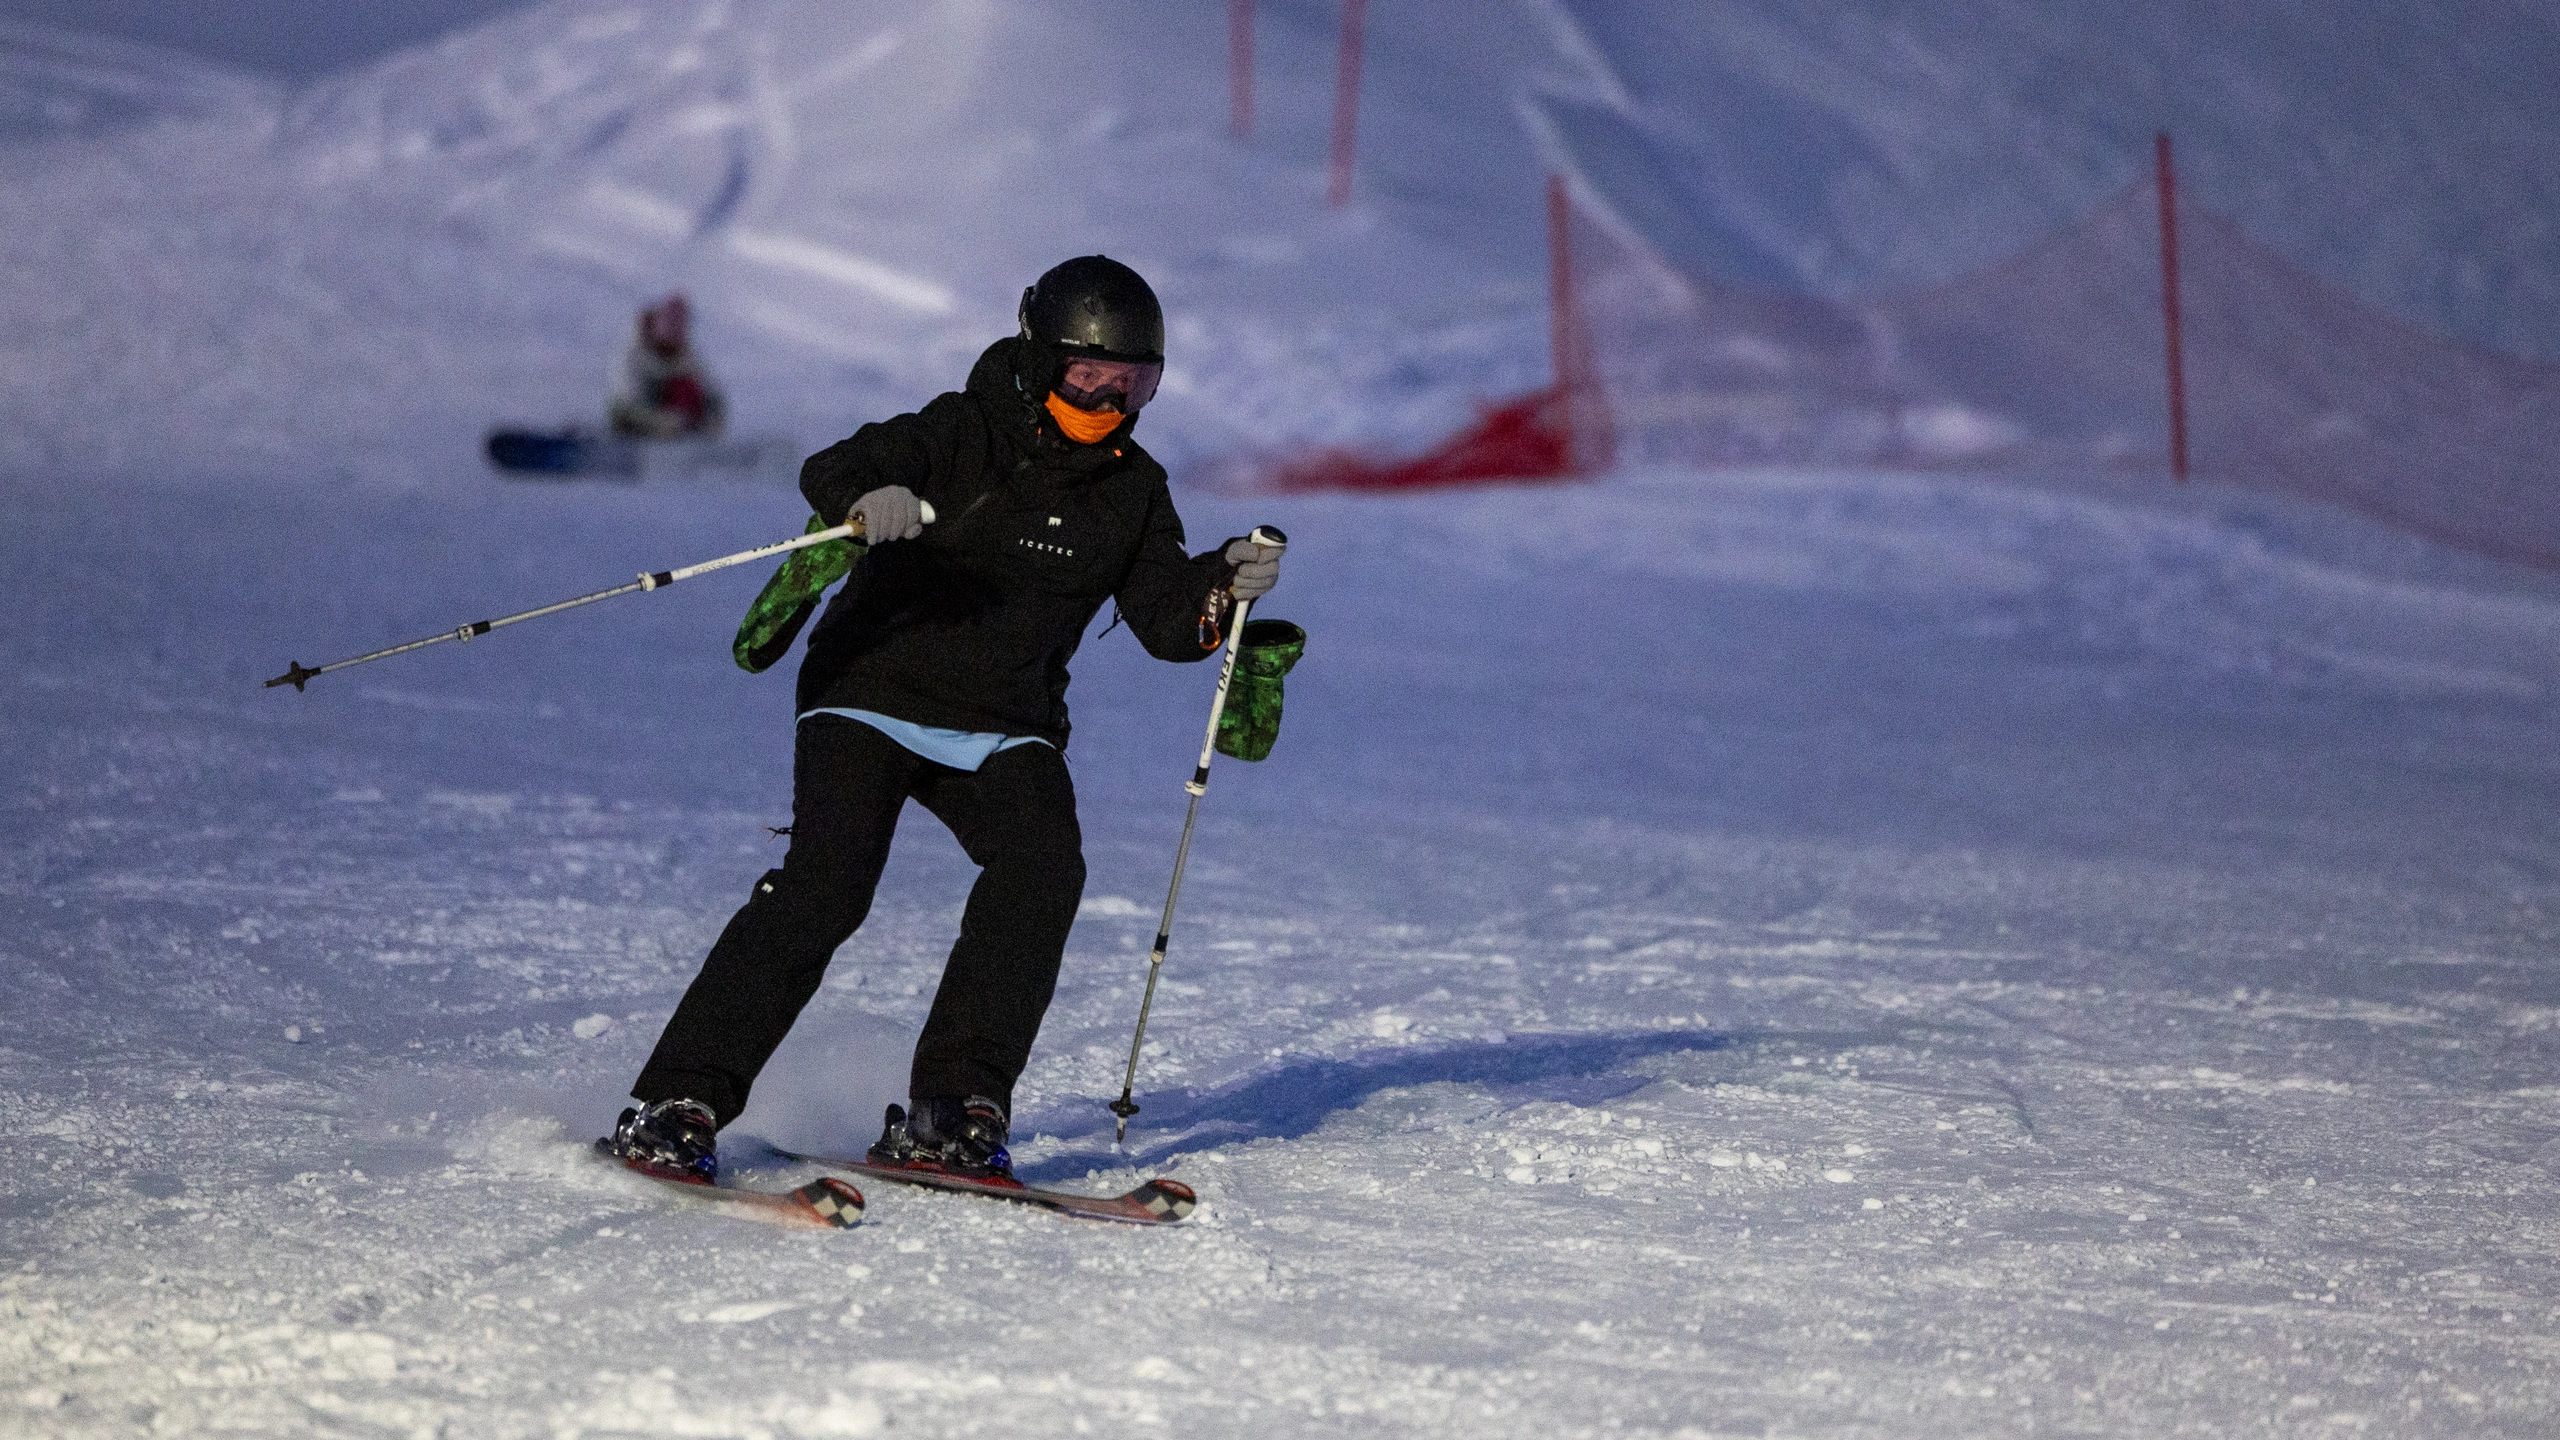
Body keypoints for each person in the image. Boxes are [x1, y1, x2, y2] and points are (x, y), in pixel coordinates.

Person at [602, 256, 1283, 1183]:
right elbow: (834, 466)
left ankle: (954, 1108)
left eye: (1136, 384)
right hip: (872, 692)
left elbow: (1170, 622)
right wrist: (867, 498)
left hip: (1006, 721)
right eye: (1092, 378)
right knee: (828, 886)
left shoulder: (1133, 488)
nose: (1112, 402)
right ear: (1043, 360)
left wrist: (1221, 581)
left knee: (1044, 871)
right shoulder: (961, 431)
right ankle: (675, 1102)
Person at [608, 292, 727, 439]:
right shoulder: (634, 355)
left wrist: (712, 420)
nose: (669, 353)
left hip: (677, 426)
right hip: (637, 421)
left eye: (674, 347)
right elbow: (626, 399)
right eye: (665, 346)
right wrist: (657, 420)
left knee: (687, 387)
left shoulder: (688, 357)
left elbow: (713, 395)